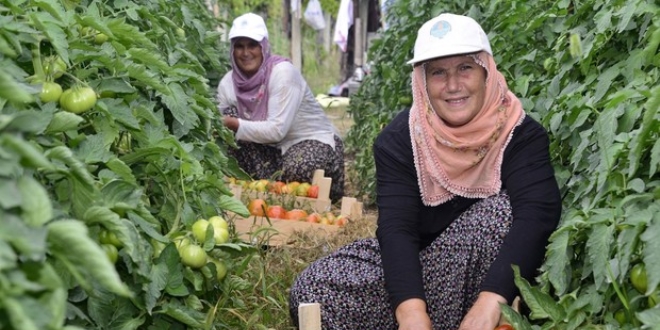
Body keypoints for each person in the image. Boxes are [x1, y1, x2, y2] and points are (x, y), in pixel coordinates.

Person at [289, 13, 562, 329]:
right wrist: (411, 313)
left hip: (488, 280)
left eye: (465, 68)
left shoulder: (519, 134)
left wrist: (491, 301)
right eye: (438, 73)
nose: (453, 86)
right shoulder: (400, 140)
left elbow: (537, 214)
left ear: (487, 71)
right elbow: (397, 229)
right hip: (421, 268)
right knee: (313, 288)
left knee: (500, 214)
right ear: (422, 81)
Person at [216, 12, 345, 201]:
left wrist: (233, 124)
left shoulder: (283, 74)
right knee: (226, 124)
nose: (245, 53)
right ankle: (267, 189)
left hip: (309, 140)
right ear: (232, 50)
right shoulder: (227, 84)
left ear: (264, 47)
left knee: (299, 167)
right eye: (239, 46)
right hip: (271, 152)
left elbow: (277, 131)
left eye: (252, 45)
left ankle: (323, 191)